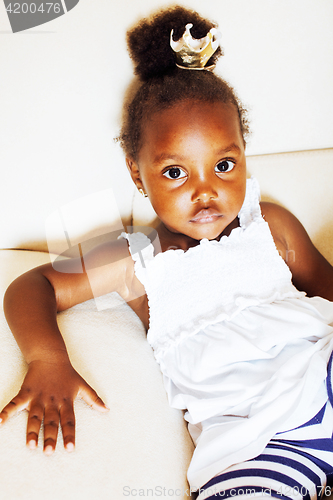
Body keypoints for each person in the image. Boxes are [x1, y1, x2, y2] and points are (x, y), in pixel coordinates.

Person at [1, 5, 333, 499]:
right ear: (138, 175)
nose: (206, 192)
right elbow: (34, 285)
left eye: (224, 164)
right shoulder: (137, 259)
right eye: (176, 172)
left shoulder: (270, 226)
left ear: (244, 154)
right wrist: (48, 359)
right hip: (250, 444)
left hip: (320, 380)